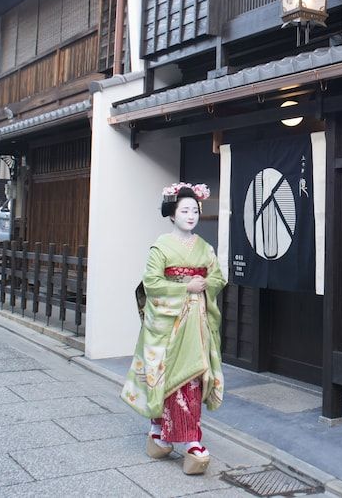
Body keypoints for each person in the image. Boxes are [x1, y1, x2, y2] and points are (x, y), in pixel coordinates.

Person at [121, 182, 225, 475]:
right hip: (169, 324)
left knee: (193, 377)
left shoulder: (206, 248)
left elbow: (218, 278)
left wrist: (206, 285)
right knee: (165, 376)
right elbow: (152, 283)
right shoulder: (161, 247)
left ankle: (186, 437)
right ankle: (162, 430)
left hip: (196, 324)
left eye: (195, 210)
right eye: (185, 210)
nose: (191, 215)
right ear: (172, 214)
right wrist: (186, 288)